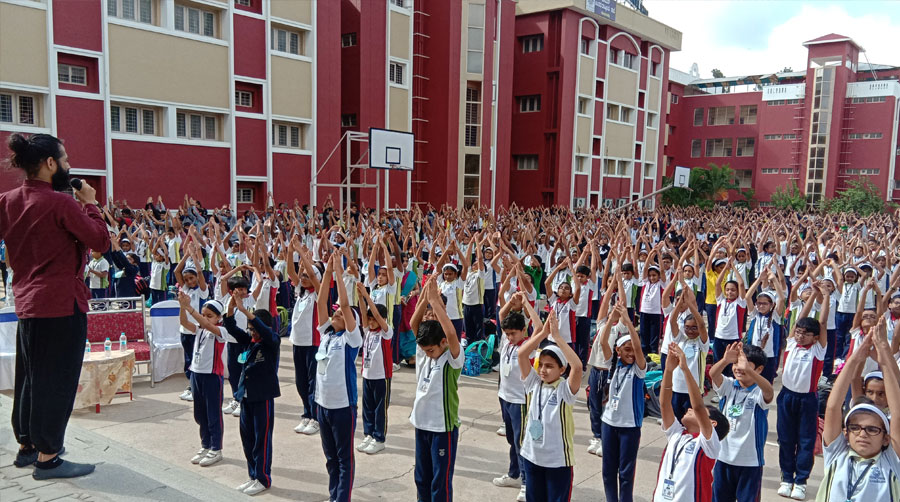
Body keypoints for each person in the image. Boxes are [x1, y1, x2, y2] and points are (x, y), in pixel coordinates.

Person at [2, 133, 108, 479]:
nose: (68, 165)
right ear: (50, 164)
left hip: (28, 301)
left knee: (30, 378)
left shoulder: (7, 201)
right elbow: (100, 241)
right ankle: (49, 457)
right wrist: (90, 203)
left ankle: (27, 446)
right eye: (64, 159)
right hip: (61, 302)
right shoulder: (62, 203)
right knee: (56, 381)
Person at [817, 319, 900, 501]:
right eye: (855, 428)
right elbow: (832, 407)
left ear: (886, 437)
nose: (862, 434)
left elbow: (898, 412)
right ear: (846, 433)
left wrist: (885, 354)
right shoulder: (838, 454)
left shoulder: (891, 461)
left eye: (872, 429)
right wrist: (855, 357)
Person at [516, 310, 583, 502]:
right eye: (541, 365)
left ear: (562, 369)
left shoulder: (565, 390)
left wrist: (558, 338)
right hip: (532, 455)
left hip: (557, 461)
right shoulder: (534, 383)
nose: (543, 370)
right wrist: (543, 334)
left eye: (550, 366)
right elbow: (522, 354)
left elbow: (577, 367)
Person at [409, 276, 463, 502]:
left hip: (443, 428)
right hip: (421, 423)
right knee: (421, 477)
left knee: (439, 482)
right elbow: (414, 324)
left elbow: (451, 334)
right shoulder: (425, 349)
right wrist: (424, 298)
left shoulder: (452, 359)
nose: (426, 353)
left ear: (442, 343)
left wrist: (436, 303)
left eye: (431, 350)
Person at [314, 253, 363, 502]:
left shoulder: (350, 339)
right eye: (336, 314)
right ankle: (334, 495)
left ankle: (342, 498)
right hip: (322, 404)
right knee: (330, 457)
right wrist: (327, 273)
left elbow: (344, 305)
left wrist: (340, 274)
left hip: (343, 407)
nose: (336, 314)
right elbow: (322, 302)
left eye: (342, 315)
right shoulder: (327, 335)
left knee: (344, 458)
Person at [654, 343, 730, 502]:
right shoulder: (677, 433)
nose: (690, 409)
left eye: (700, 413)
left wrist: (685, 368)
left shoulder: (707, 444)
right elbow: (664, 404)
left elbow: (698, 406)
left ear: (712, 423)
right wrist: (668, 370)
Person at [776, 283, 830, 500]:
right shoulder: (791, 344)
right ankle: (787, 477)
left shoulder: (818, 349)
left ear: (815, 338)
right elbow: (800, 317)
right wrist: (812, 296)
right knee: (786, 439)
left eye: (806, 334)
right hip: (786, 396)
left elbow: (823, 323)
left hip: (807, 399)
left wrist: (824, 296)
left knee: (806, 441)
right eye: (798, 332)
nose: (800, 336)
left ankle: (801, 481)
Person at [222, 293, 279, 496]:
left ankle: (263, 478)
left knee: (261, 439)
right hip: (246, 397)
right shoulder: (249, 341)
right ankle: (253, 475)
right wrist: (231, 305)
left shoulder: (271, 342)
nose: (251, 332)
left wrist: (247, 311)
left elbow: (264, 331)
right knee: (247, 438)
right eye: (250, 329)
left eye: (254, 329)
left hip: (262, 397)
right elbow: (230, 327)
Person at [492, 293, 543, 502]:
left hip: (520, 401)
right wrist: (514, 303)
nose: (510, 336)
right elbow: (501, 313)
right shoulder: (506, 340)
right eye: (507, 333)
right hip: (504, 397)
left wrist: (528, 306)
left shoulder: (527, 346)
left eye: (514, 333)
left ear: (524, 330)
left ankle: (526, 484)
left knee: (523, 442)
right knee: (513, 440)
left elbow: (540, 328)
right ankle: (514, 474)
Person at [709, 343, 774, 502]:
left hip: (749, 461)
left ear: (758, 369)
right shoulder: (729, 385)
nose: (738, 367)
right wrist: (725, 360)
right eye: (736, 363)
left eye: (744, 364)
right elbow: (713, 374)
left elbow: (769, 392)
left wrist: (749, 371)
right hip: (723, 457)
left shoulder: (758, 392)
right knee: (719, 497)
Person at [599, 302, 645, 502]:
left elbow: (637, 347)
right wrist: (611, 319)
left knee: (625, 473)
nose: (631, 354)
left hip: (629, 426)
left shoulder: (638, 369)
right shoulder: (613, 364)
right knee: (608, 469)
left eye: (633, 350)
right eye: (626, 350)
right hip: (609, 423)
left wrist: (628, 321)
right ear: (618, 351)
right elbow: (602, 342)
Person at [177, 293, 226, 467]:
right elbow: (184, 323)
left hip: (212, 376)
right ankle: (205, 445)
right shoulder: (200, 330)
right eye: (203, 314)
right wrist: (183, 307)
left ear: (219, 317)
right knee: (200, 414)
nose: (205, 319)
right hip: (196, 373)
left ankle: (216, 448)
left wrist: (190, 308)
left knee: (213, 413)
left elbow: (205, 324)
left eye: (210, 316)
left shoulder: (221, 331)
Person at [287, 239, 322, 435]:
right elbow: (292, 273)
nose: (305, 278)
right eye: (304, 276)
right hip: (297, 342)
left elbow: (316, 280)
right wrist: (291, 251)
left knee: (312, 381)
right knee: (300, 381)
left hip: (313, 343)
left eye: (309, 276)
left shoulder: (318, 293)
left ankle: (315, 417)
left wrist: (301, 252)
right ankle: (306, 414)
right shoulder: (300, 292)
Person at [356, 283, 393, 455]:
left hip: (381, 376)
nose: (371, 322)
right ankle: (369, 434)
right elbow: (364, 314)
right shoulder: (368, 331)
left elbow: (376, 314)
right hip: (367, 374)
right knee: (367, 407)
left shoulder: (386, 332)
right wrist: (360, 297)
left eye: (374, 320)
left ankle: (379, 438)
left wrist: (366, 295)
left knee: (380, 409)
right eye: (369, 320)